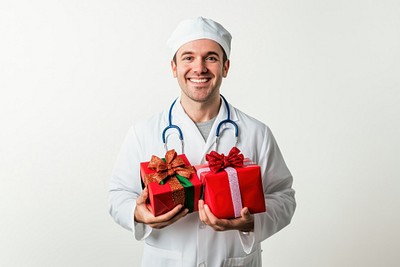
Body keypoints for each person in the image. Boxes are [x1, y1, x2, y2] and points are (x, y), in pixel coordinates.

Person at [109, 17, 296, 267]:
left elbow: (284, 196)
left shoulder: (256, 133)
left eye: (211, 57)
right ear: (174, 67)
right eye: (188, 57)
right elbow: (117, 195)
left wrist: (252, 222)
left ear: (225, 67)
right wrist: (137, 213)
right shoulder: (143, 132)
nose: (199, 68)